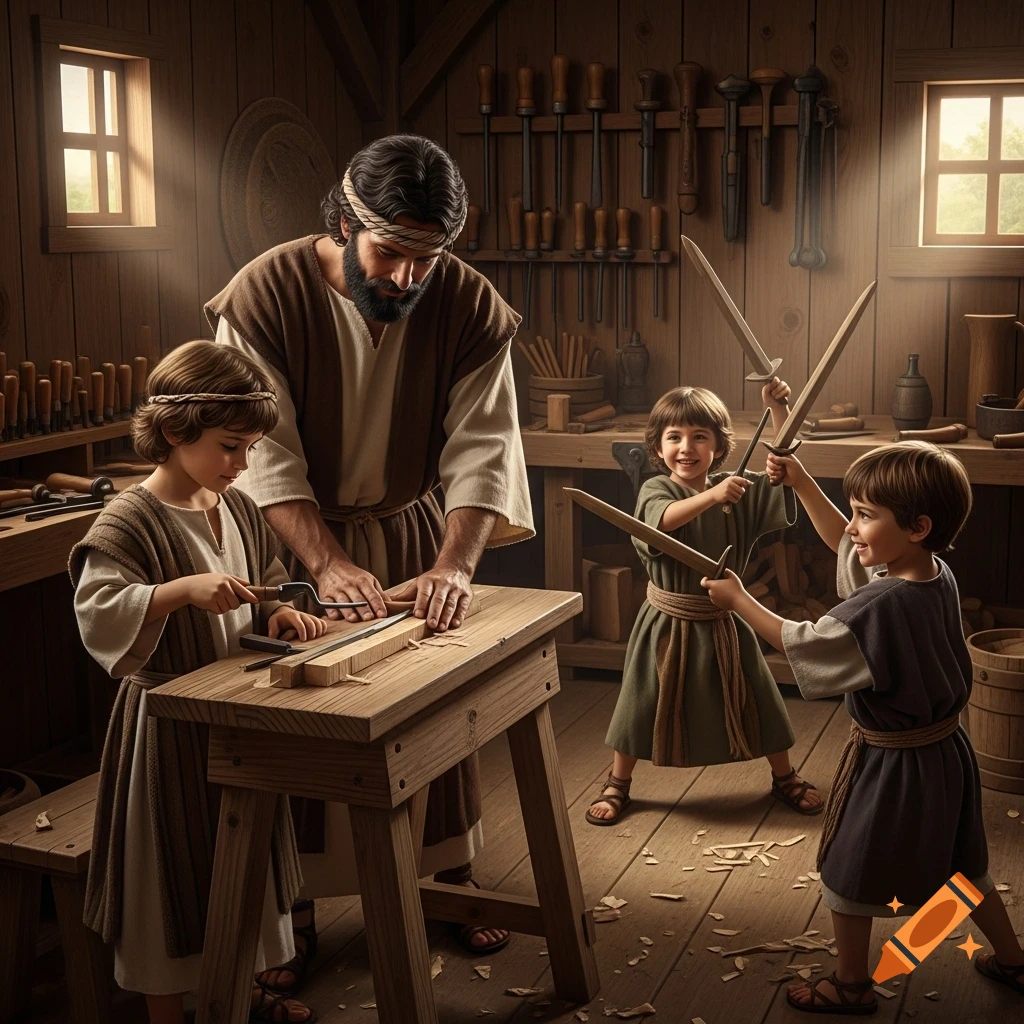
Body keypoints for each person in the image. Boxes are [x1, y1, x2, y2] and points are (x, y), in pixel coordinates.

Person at [205, 133, 535, 983]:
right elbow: (265, 452)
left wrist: (455, 565)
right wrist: (324, 563)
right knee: (301, 721)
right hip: (292, 537)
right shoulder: (264, 294)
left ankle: (451, 881)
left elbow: (484, 447)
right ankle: (295, 911)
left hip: (412, 537)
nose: (406, 280)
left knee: (437, 714)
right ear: (343, 224)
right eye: (389, 253)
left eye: (427, 259)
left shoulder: (467, 303)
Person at [702, 441, 1024, 1014]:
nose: (853, 526)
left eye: (866, 514)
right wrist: (802, 482)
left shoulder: (876, 607)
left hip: (894, 763)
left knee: (849, 873)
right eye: (853, 510)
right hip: (948, 751)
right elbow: (847, 544)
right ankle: (1013, 960)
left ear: (918, 526)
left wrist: (739, 599)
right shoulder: (934, 573)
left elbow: (800, 641)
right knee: (965, 864)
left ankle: (850, 985)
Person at [70, 341, 324, 1024]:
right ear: (176, 432)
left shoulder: (234, 506)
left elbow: (258, 579)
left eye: (250, 450)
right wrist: (177, 591)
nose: (243, 465)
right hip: (164, 729)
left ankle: (236, 994)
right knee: (170, 877)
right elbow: (98, 614)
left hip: (237, 716)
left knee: (237, 868)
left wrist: (277, 610)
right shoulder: (128, 519)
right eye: (231, 447)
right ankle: (168, 1011)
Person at [586, 383, 822, 827]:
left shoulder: (738, 492)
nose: (686, 447)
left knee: (760, 698)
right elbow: (659, 524)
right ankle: (618, 782)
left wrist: (778, 408)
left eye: (699, 436)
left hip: (723, 616)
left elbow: (783, 466)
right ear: (658, 446)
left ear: (718, 445)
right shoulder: (657, 488)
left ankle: (784, 776)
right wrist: (713, 496)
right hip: (667, 620)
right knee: (640, 703)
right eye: (674, 436)